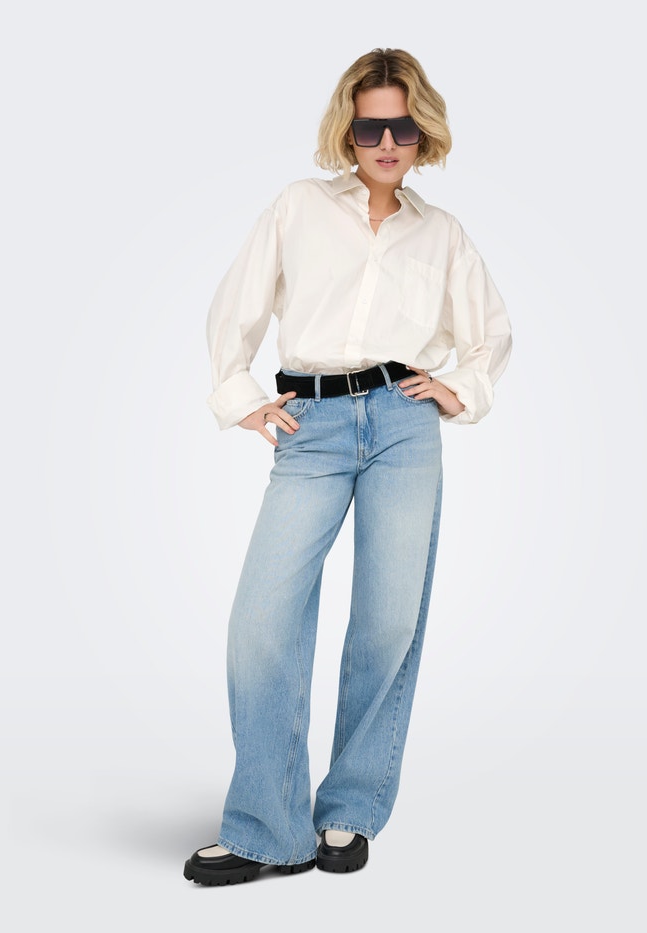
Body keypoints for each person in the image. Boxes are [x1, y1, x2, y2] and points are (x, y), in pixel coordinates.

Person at [183, 47, 512, 886]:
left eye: (403, 127)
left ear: (422, 133)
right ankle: (268, 827)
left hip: (403, 423)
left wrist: (460, 388)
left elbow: (491, 333)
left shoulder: (442, 233)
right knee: (261, 622)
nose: (387, 143)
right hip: (313, 423)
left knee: (387, 622)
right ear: (348, 131)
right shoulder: (298, 206)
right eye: (371, 128)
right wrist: (240, 396)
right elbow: (234, 307)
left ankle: (348, 810)